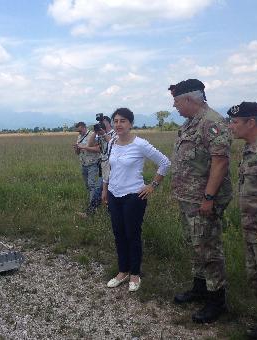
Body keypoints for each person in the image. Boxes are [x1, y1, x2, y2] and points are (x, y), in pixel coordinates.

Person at [169, 79, 232, 324]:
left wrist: (208, 198)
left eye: (176, 102)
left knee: (209, 249)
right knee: (196, 247)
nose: (174, 106)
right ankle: (200, 288)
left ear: (189, 99)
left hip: (203, 200)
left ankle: (217, 301)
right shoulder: (190, 124)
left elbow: (220, 162)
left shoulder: (211, 123)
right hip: (188, 198)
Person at [104, 108, 170, 292]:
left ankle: (135, 274)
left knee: (132, 235)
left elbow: (165, 162)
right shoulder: (112, 143)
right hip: (113, 194)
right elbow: (108, 168)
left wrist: (152, 186)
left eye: (123, 121)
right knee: (118, 234)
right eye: (115, 121)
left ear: (130, 124)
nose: (118, 124)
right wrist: (104, 190)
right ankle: (122, 271)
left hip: (134, 196)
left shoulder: (140, 144)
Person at [227, 102, 257, 339]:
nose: (230, 126)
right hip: (251, 227)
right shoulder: (249, 148)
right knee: (256, 278)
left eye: (235, 122)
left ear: (251, 122)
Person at [73, 122, 101, 215]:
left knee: (91, 184)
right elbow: (77, 153)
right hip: (84, 164)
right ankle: (95, 201)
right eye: (77, 131)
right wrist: (77, 148)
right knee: (88, 185)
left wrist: (84, 147)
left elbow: (98, 149)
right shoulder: (79, 137)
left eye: (80, 130)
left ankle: (92, 207)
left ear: (84, 128)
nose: (79, 133)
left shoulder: (93, 135)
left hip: (92, 163)